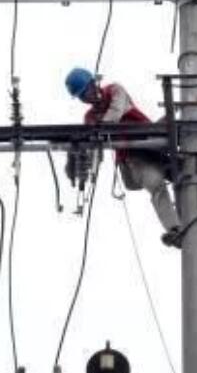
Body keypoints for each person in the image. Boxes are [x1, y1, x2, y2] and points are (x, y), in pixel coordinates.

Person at [65, 67, 182, 248]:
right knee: (155, 184)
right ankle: (175, 229)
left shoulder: (115, 90)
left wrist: (99, 127)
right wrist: (75, 161)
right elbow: (90, 146)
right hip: (133, 158)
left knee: (185, 177)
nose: (86, 98)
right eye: (81, 96)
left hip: (152, 144)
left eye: (85, 92)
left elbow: (115, 112)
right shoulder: (90, 117)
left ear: (93, 83)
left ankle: (184, 222)